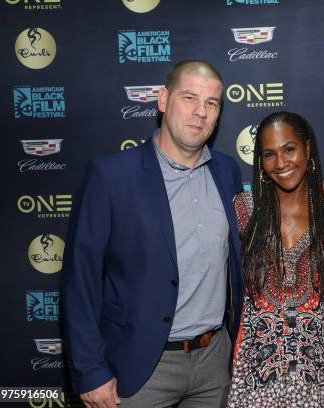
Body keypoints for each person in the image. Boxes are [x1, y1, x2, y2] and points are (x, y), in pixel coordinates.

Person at [62, 60, 244, 408]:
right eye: (189, 98)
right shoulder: (110, 176)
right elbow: (80, 280)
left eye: (211, 103)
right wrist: (89, 370)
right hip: (140, 365)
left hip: (214, 362)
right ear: (162, 100)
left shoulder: (226, 171)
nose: (200, 113)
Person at [227, 112, 324, 407]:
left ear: (308, 149)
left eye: (289, 149)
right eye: (269, 154)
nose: (281, 163)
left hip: (319, 369)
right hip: (257, 370)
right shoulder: (242, 211)